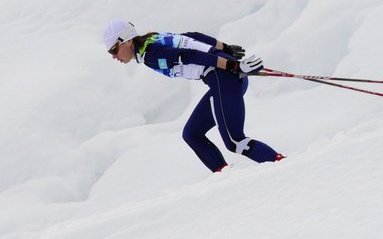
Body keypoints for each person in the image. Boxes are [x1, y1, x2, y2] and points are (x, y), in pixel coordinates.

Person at [103, 19, 285, 172]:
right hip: (223, 77)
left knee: (234, 141)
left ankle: (282, 165)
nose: (113, 57)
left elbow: (189, 55)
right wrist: (225, 49)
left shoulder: (151, 54)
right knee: (192, 133)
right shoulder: (152, 39)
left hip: (224, 77)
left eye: (114, 50)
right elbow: (192, 37)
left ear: (126, 41)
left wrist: (233, 66)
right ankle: (227, 176)